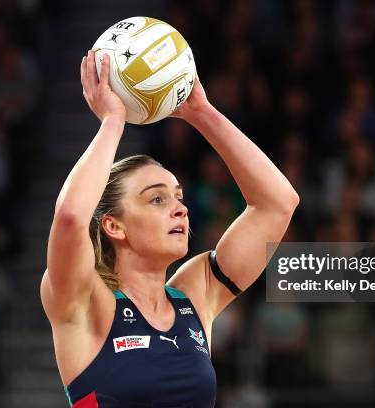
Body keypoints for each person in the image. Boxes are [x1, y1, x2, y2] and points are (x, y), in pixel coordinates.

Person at [40, 50, 299, 407]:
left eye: (178, 197)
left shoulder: (193, 295)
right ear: (114, 225)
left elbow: (278, 204)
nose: (180, 208)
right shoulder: (86, 298)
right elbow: (70, 218)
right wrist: (113, 120)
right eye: (157, 199)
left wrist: (202, 113)